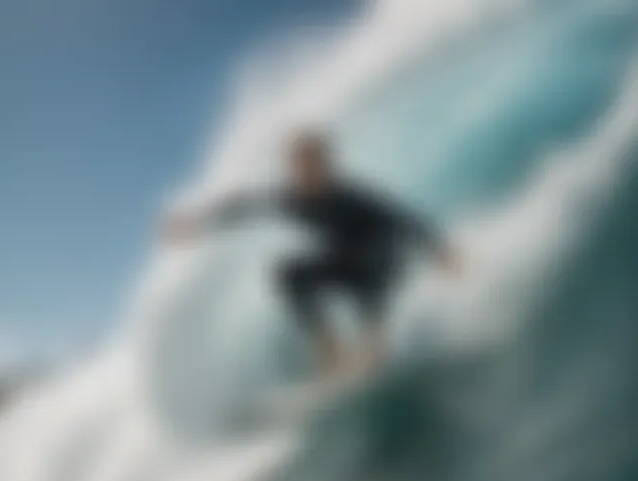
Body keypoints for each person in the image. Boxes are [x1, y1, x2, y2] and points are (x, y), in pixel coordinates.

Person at [162, 131, 462, 380]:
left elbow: (401, 218)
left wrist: (439, 249)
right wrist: (197, 224)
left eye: (315, 165)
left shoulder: (350, 195)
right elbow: (242, 208)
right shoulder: (289, 198)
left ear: (327, 166)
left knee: (366, 262)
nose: (308, 173)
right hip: (347, 265)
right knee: (287, 273)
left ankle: (374, 344)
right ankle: (332, 351)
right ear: (293, 170)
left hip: (383, 264)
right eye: (300, 166)